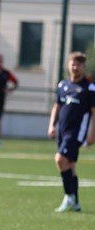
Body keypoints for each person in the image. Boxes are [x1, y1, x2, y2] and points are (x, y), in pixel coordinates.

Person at [47, 51, 95, 213]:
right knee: (71, 166)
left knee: (60, 159)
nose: (75, 67)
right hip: (62, 130)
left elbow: (94, 113)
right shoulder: (63, 85)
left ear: (83, 67)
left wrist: (92, 135)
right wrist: (51, 125)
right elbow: (57, 106)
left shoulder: (89, 88)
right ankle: (75, 203)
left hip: (76, 132)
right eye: (73, 64)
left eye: (79, 65)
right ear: (69, 65)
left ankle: (68, 196)